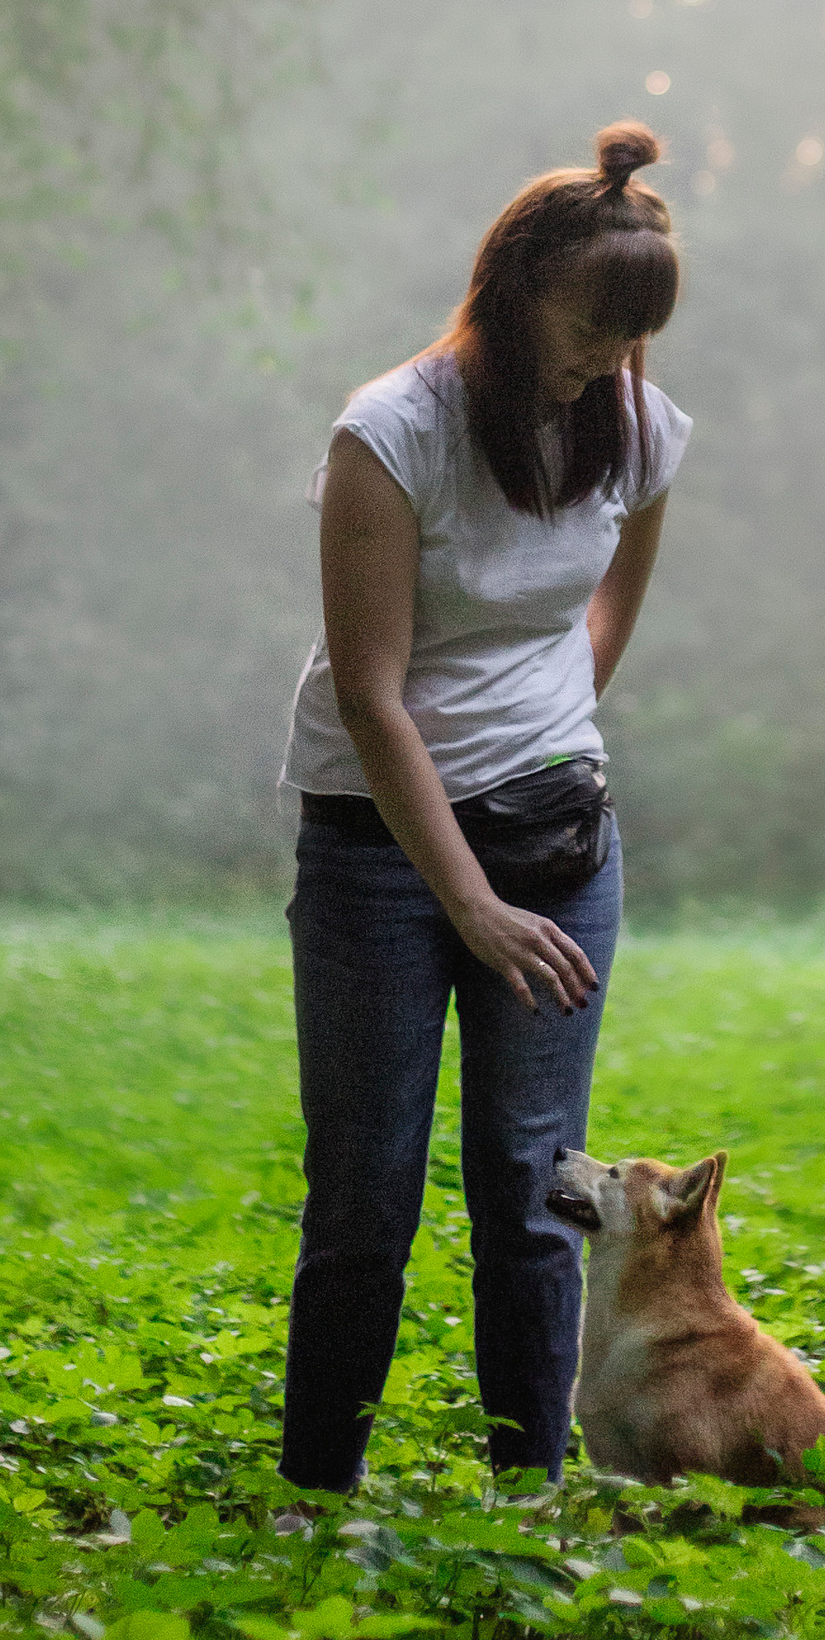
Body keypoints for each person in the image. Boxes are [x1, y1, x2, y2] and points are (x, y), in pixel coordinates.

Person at [276, 121, 689, 1497]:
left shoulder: (630, 417)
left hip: (561, 840)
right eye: (587, 332)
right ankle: (315, 1498)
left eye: (630, 344)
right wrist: (471, 904)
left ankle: (532, 1500)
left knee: (532, 1201)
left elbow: (624, 569)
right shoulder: (390, 437)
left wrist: (562, 708)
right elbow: (372, 695)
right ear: (515, 292)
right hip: (382, 857)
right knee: (365, 1206)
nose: (604, 368)